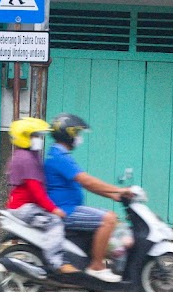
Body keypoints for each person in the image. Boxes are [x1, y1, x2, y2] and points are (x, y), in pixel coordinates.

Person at [44, 113, 131, 282]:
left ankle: (94, 261)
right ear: (67, 134)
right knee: (109, 219)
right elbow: (87, 182)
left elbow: (87, 185)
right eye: (76, 133)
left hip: (70, 207)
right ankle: (96, 266)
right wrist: (118, 190)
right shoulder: (60, 157)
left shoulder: (58, 155)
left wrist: (114, 195)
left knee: (114, 219)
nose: (79, 138)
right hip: (65, 211)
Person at [6, 117, 77, 276]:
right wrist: (54, 209)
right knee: (54, 222)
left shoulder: (29, 155)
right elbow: (36, 191)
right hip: (24, 208)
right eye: (35, 136)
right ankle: (56, 263)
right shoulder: (25, 158)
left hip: (23, 205)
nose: (38, 139)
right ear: (24, 137)